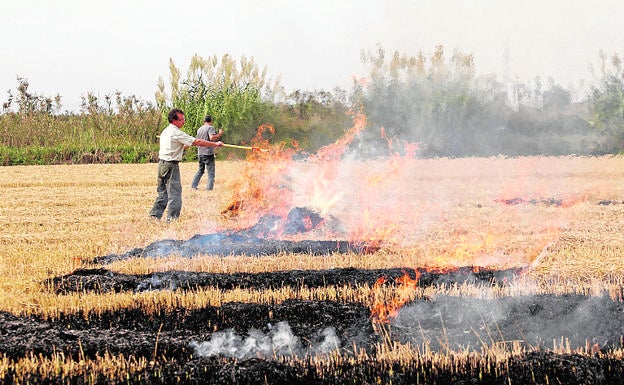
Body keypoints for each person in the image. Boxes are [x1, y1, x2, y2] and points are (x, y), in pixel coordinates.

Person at [149, 108, 223, 221]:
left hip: (162, 164)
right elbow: (197, 142)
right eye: (181, 120)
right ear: (174, 120)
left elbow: (179, 146)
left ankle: (154, 216)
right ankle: (172, 219)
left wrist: (189, 144)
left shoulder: (166, 131)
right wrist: (215, 144)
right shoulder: (176, 132)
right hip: (170, 166)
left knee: (163, 193)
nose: (183, 122)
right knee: (175, 194)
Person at [191, 115, 223, 190]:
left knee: (200, 170)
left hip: (200, 153)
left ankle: (193, 186)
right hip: (208, 153)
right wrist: (219, 134)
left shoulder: (199, 129)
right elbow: (211, 137)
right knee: (211, 173)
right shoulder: (210, 128)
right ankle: (209, 189)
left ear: (204, 121)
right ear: (211, 121)